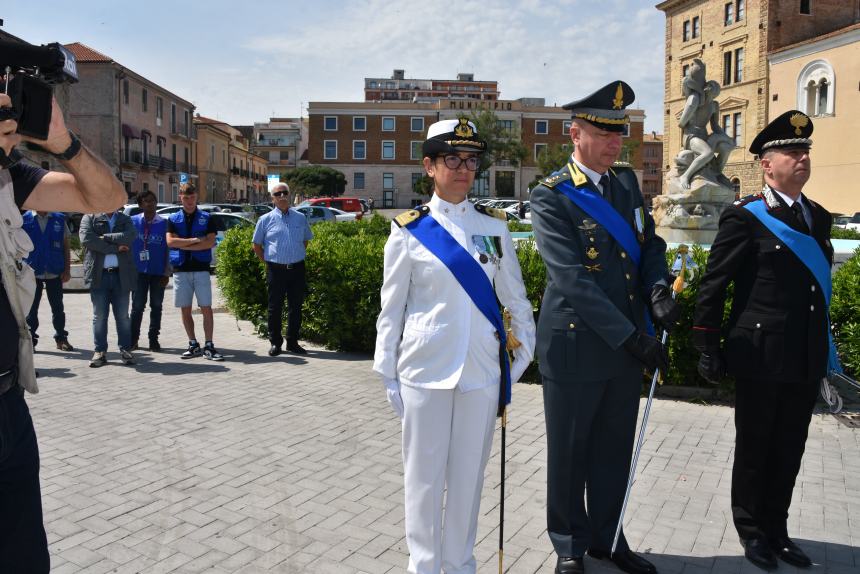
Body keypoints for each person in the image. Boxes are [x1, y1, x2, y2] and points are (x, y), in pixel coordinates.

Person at [374, 118, 536, 574]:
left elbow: (515, 298)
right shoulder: (407, 230)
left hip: (482, 372)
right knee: (423, 481)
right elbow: (392, 309)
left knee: (468, 479)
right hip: (424, 370)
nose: (463, 169)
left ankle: (461, 564)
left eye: (470, 160)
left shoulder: (494, 228)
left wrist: (521, 357)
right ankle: (423, 567)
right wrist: (387, 373)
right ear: (429, 166)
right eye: (452, 159)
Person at [530, 81, 678, 574]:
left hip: (623, 349)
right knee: (571, 452)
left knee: (613, 451)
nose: (617, 143)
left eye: (621, 134)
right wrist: (632, 337)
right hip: (576, 347)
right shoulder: (550, 196)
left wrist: (657, 288)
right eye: (604, 133)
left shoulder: (626, 185)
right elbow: (572, 280)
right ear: (575, 134)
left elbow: (648, 245)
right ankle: (570, 545)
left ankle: (608, 538)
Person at [692, 110, 829, 571]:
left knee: (790, 447)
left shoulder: (820, 218)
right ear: (767, 164)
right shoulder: (745, 217)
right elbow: (714, 285)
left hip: (804, 355)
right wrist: (707, 345)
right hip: (760, 354)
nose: (802, 158)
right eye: (793, 152)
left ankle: (778, 529)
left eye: (805, 151)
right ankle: (752, 532)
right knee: (755, 448)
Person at [0, 91, 126, 572]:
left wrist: (64, 144)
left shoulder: (11, 175)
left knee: (26, 558)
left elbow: (107, 198)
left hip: (10, 402)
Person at [252, 182, 313, 356]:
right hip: (275, 270)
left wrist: (294, 255)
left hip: (297, 268)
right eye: (278, 194)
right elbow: (256, 245)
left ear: (289, 194)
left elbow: (305, 240)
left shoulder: (300, 217)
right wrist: (269, 262)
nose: (282, 196)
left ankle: (292, 342)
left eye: (284, 193)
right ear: (272, 198)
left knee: (296, 306)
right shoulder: (265, 220)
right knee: (275, 307)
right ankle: (275, 343)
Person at [166, 184, 223, 360]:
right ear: (180, 198)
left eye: (192, 198)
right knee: (185, 309)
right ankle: (193, 344)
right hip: (181, 270)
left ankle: (209, 345)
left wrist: (183, 242)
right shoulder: (173, 218)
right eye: (185, 198)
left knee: (206, 308)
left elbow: (209, 243)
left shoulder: (207, 218)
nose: (189, 201)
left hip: (201, 270)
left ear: (196, 197)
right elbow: (170, 243)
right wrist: (194, 240)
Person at [79, 208, 138, 367]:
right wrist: (116, 247)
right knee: (99, 316)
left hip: (121, 276)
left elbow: (131, 236)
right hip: (99, 276)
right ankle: (100, 351)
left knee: (123, 317)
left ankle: (125, 350)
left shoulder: (125, 219)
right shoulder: (89, 217)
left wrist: (104, 238)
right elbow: (87, 239)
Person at [22, 210, 74, 351]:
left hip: (54, 269)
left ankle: (61, 339)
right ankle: (30, 340)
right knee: (32, 309)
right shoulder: (24, 219)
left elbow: (66, 246)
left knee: (58, 307)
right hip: (32, 271)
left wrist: (67, 270)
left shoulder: (59, 219)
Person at [130, 190, 170, 351]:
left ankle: (153, 339)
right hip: (138, 272)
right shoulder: (132, 222)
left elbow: (168, 249)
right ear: (140, 204)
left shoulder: (164, 223)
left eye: (153, 200)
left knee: (157, 306)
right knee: (137, 306)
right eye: (146, 201)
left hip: (158, 272)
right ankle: (133, 339)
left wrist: (167, 272)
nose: (150, 203)